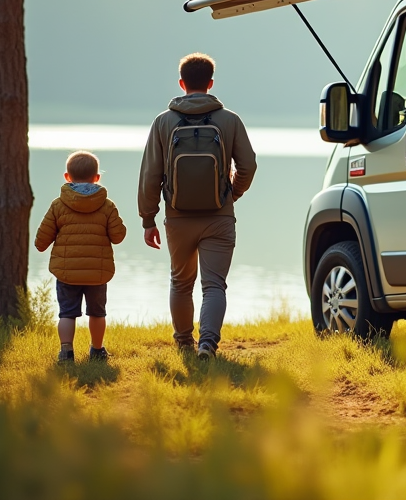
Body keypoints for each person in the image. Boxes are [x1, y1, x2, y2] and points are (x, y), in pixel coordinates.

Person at [139, 53, 257, 359]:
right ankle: (207, 344)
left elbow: (151, 174)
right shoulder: (229, 120)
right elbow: (248, 165)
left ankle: (184, 343)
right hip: (219, 216)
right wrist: (234, 193)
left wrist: (148, 218)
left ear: (181, 83)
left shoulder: (163, 122)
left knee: (181, 282)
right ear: (211, 83)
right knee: (214, 285)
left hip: (177, 218)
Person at [35, 150, 127, 364]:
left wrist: (43, 244)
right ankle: (97, 350)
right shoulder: (107, 205)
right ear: (97, 178)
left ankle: (66, 352)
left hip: (67, 272)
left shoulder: (58, 205)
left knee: (67, 313)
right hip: (97, 272)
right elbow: (119, 236)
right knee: (97, 313)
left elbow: (41, 240)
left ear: (67, 177)